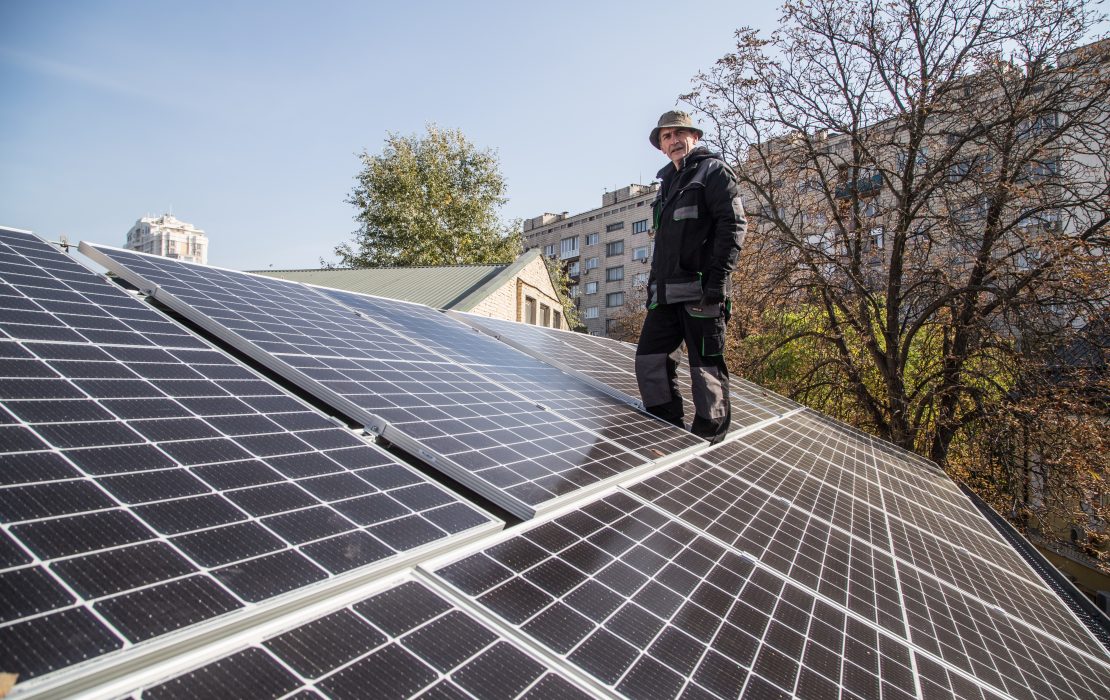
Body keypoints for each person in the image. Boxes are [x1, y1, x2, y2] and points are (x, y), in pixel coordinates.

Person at [635, 110, 746, 445]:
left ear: (694, 137)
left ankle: (709, 440)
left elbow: (734, 225)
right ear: (661, 146)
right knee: (649, 360)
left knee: (705, 370)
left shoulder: (713, 172)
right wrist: (654, 289)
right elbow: (666, 245)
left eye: (679, 133)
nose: (674, 141)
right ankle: (665, 426)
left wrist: (718, 280)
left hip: (702, 293)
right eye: (667, 136)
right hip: (665, 295)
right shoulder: (666, 184)